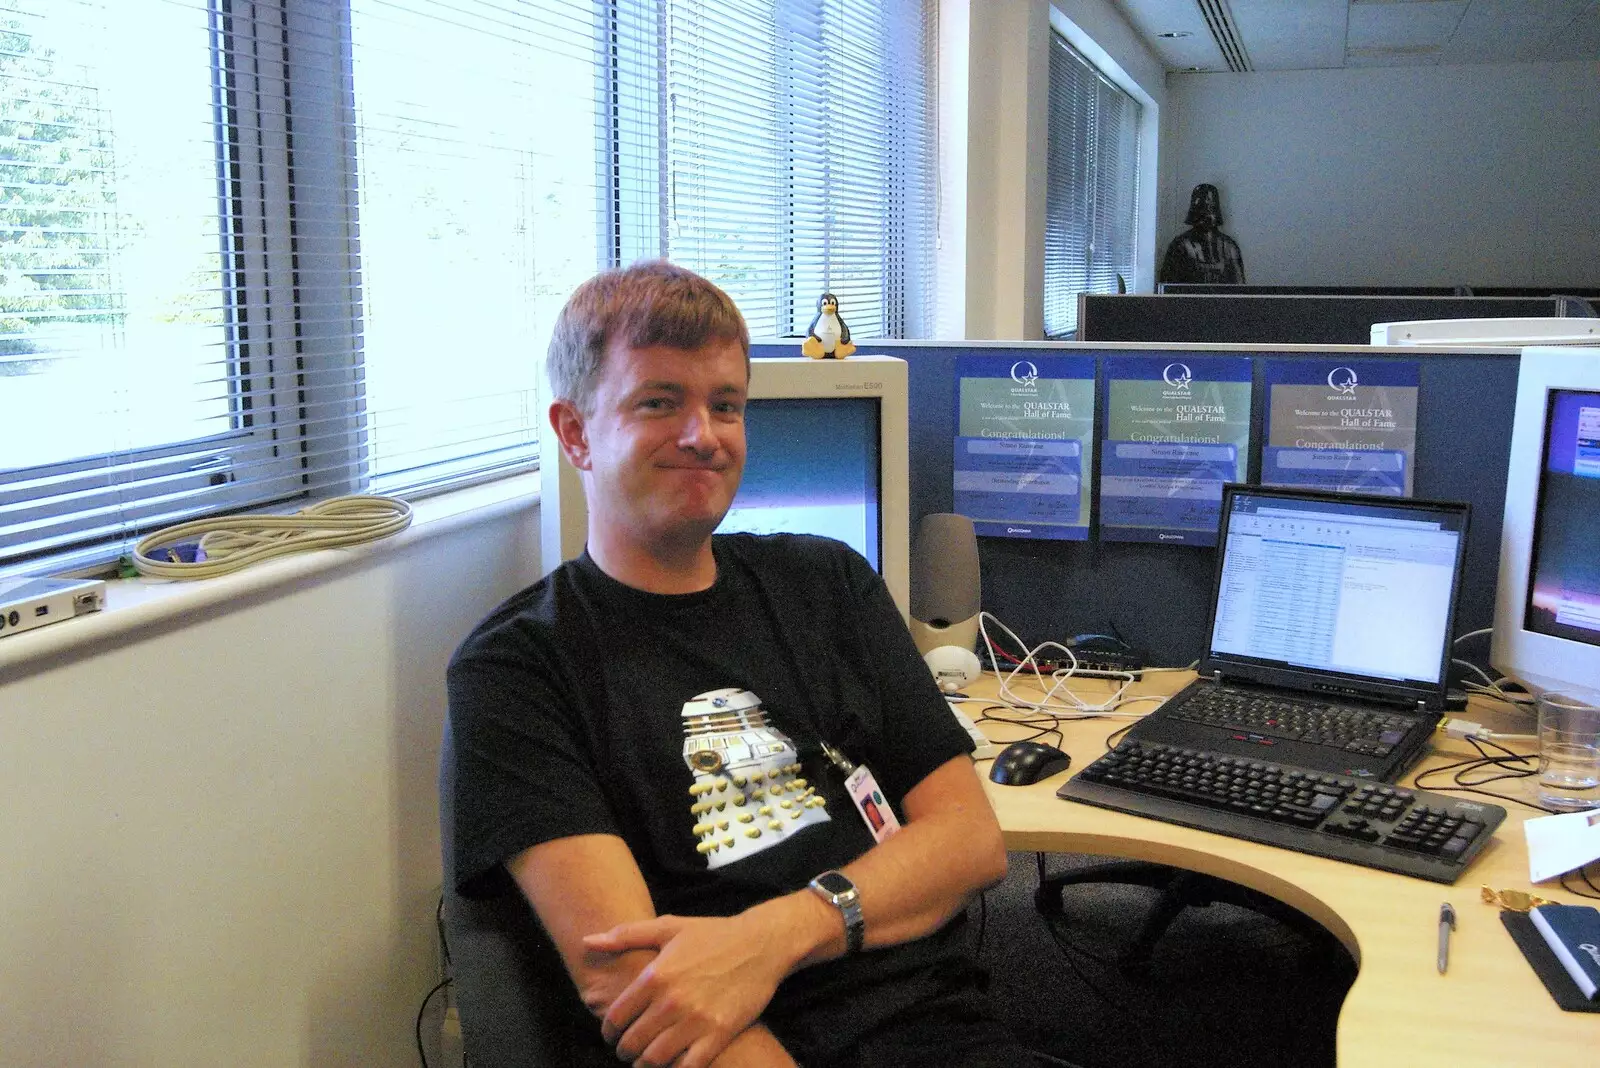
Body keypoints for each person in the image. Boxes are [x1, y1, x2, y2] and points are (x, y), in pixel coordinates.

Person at [446, 261, 1025, 1068]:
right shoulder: (518, 669)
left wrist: (775, 936)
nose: (703, 435)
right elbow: (644, 993)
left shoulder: (828, 584)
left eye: (725, 405)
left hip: (946, 1035)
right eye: (659, 402)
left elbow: (971, 843)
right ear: (575, 432)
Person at [1159, 182, 1247, 286]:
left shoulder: (1229, 247)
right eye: (1202, 209)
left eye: (1210, 208)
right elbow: (1168, 289)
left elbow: (1239, 290)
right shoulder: (1180, 245)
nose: (1206, 215)